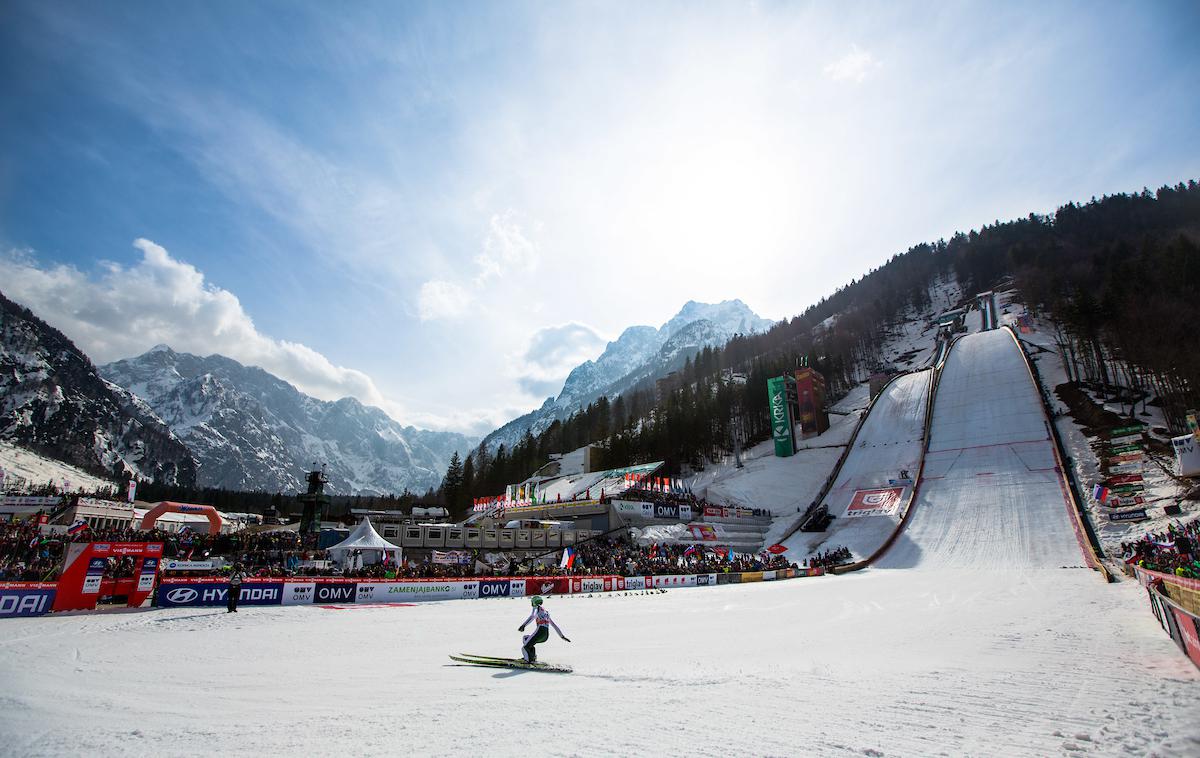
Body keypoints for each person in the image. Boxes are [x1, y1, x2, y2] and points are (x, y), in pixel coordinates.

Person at [518, 595, 570, 663]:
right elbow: (554, 625)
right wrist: (562, 636)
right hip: (545, 635)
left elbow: (532, 616)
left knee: (525, 648)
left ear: (534, 602)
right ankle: (532, 657)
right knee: (525, 638)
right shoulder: (546, 612)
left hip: (540, 631)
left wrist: (523, 625)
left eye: (532, 603)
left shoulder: (537, 607)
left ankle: (527, 660)